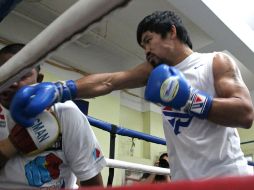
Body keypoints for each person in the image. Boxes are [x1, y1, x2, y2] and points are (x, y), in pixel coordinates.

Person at [9, 10, 254, 181]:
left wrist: (190, 100)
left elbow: (245, 113)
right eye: (142, 46)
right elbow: (109, 81)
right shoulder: (153, 72)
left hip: (227, 175)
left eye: (148, 41)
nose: (146, 50)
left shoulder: (214, 62)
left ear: (171, 32)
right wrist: (61, 89)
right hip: (185, 181)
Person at [0, 43, 106, 188]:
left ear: (39, 79)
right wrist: (10, 145)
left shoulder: (64, 112)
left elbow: (92, 184)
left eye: (23, 75)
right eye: (5, 73)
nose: (13, 82)